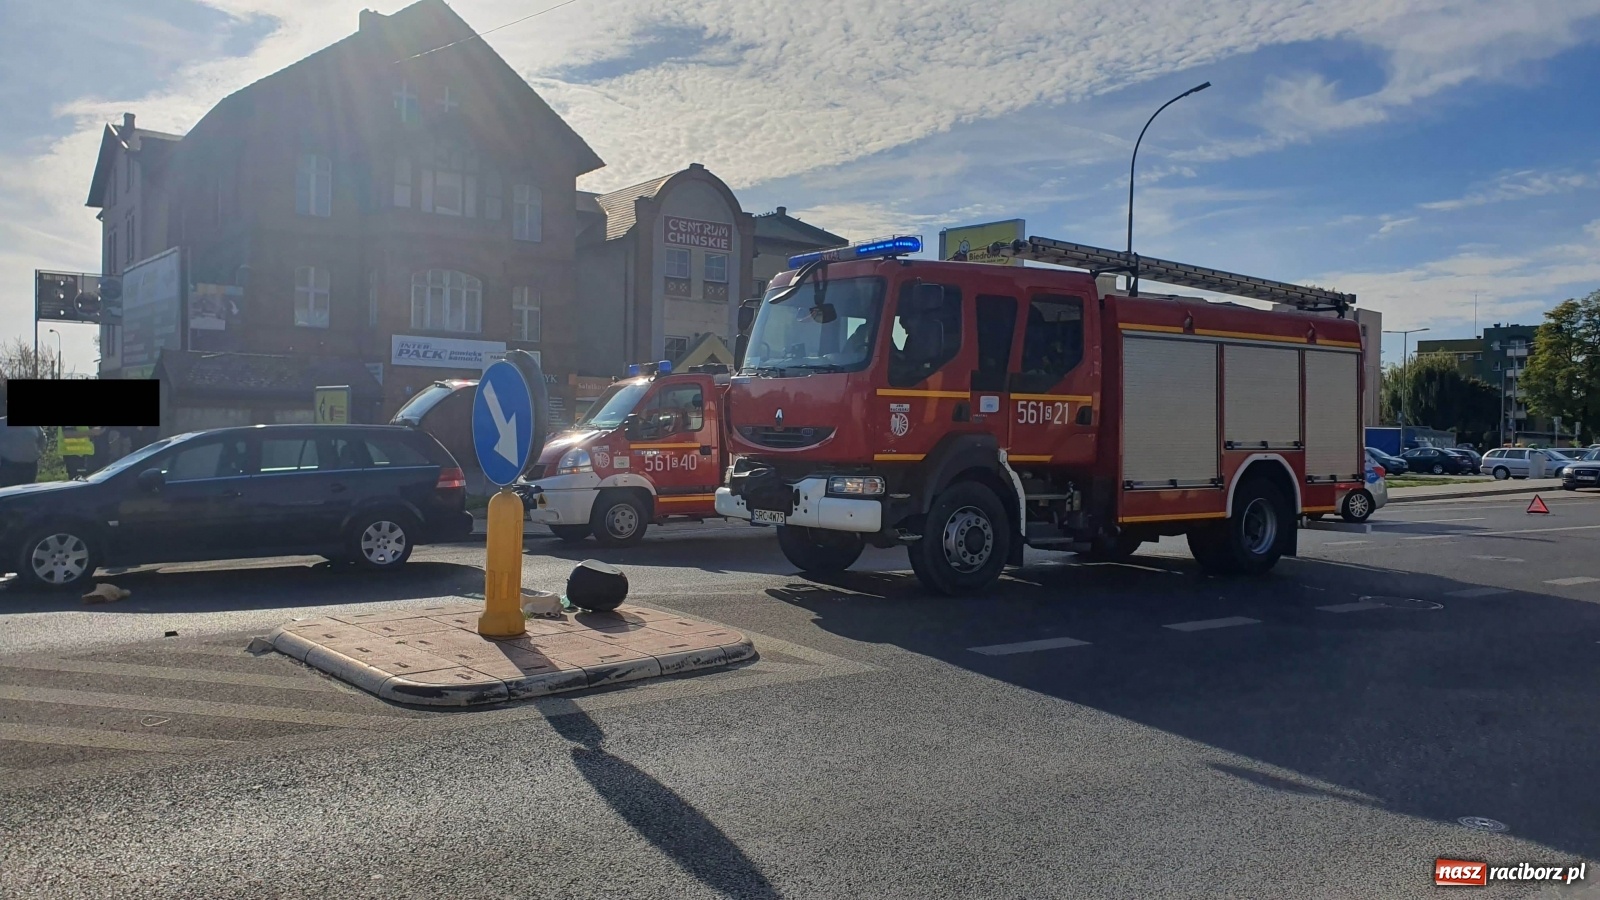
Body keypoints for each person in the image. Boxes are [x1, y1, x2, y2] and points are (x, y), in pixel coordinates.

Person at [0, 417, 46, 488]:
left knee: (28, 491)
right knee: (11, 491)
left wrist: (39, 452)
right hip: (9, 466)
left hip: (30, 466)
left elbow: (42, 437)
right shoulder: (2, 423)